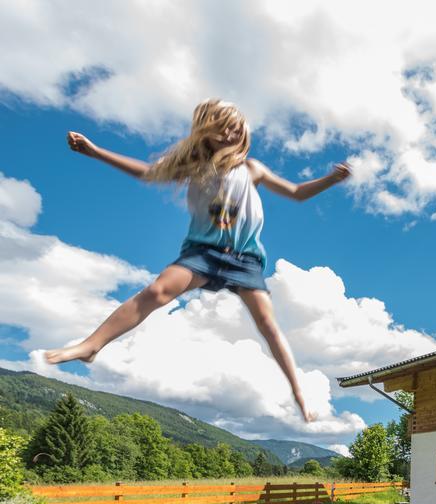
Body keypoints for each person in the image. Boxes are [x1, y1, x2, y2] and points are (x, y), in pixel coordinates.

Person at [45, 99, 351, 422]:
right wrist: (96, 151)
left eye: (236, 128)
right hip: (203, 252)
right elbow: (148, 173)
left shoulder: (252, 168)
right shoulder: (195, 167)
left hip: (244, 260)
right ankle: (92, 345)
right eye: (222, 131)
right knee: (156, 292)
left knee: (268, 325)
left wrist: (330, 179)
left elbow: (297, 192)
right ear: (206, 135)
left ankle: (299, 394)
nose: (231, 134)